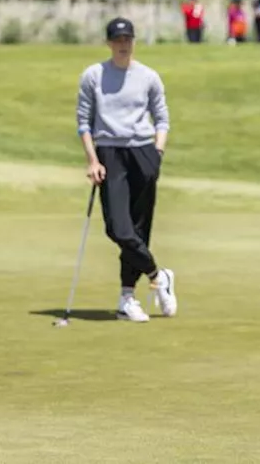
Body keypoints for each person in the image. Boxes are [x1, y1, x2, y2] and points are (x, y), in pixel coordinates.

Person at [75, 17, 178, 323]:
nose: (123, 45)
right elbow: (84, 122)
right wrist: (93, 160)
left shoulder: (148, 77)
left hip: (143, 153)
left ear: (134, 41)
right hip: (109, 153)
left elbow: (161, 118)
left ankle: (126, 299)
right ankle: (159, 276)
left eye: (128, 39)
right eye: (117, 40)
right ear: (108, 43)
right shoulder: (93, 75)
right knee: (117, 228)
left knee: (139, 229)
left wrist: (157, 153)